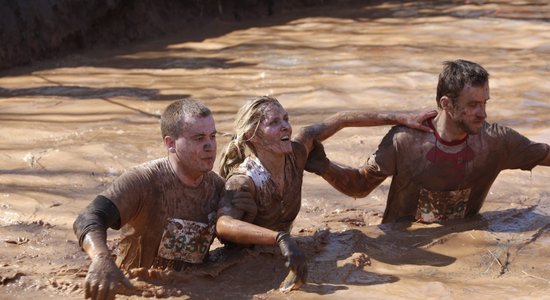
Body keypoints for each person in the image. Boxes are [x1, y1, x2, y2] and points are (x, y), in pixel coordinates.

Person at [214, 95, 436, 290]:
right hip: (243, 260)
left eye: (286, 119)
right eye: (274, 122)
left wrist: (401, 118)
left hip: (284, 250)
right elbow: (223, 225)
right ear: (252, 135)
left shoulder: (297, 153)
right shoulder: (243, 180)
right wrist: (280, 238)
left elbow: (341, 119)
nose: (286, 127)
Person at [305, 59, 550, 224]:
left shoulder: (498, 141)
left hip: (464, 246)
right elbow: (359, 186)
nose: (483, 113)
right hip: (401, 246)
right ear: (446, 104)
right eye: (473, 105)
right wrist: (323, 166)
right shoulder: (405, 140)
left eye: (485, 103)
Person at [73, 99, 226, 300]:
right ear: (170, 144)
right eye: (198, 138)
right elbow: (88, 218)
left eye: (212, 136)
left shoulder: (220, 188)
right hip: (134, 288)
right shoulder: (142, 181)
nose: (210, 146)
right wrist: (101, 258)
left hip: (191, 289)